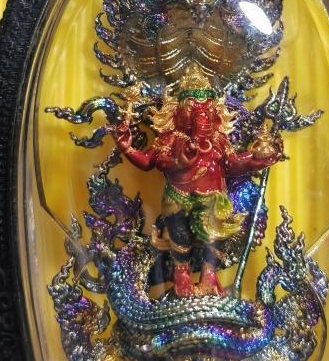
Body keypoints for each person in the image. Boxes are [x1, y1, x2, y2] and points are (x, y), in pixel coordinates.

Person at [115, 63, 281, 297]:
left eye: (206, 108)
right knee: (179, 236)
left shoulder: (219, 140)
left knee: (214, 237)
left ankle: (209, 277)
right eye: (193, 108)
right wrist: (128, 148)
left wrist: (256, 161)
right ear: (180, 112)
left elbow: (232, 164)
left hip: (213, 198)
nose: (201, 115)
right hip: (178, 197)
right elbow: (149, 161)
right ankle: (181, 276)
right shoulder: (171, 138)